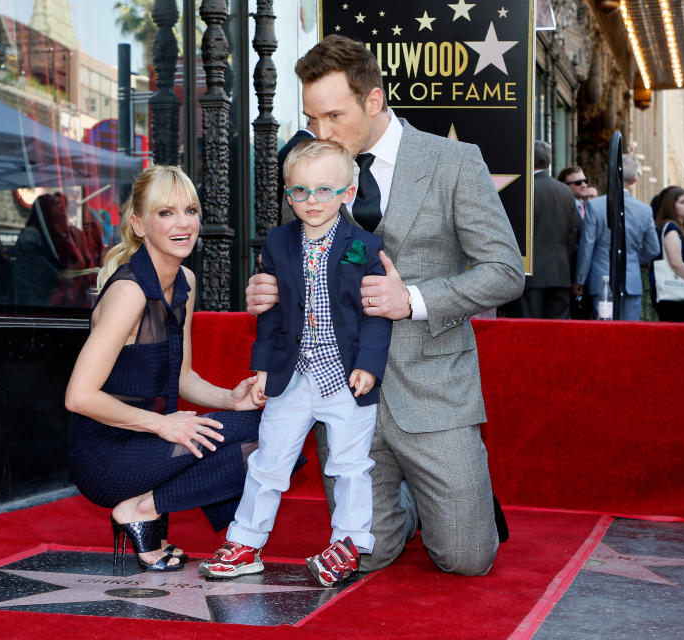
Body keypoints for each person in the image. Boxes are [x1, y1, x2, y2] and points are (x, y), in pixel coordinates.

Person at [246, 35, 525, 576]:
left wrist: (414, 299)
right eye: (311, 116)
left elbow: (505, 271)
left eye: (333, 115)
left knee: (467, 560)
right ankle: (410, 507)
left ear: (374, 101)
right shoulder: (311, 169)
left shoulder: (454, 161)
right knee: (368, 557)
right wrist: (269, 290)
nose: (319, 132)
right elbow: (294, 263)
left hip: (434, 390)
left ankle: (447, 499)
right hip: (340, 391)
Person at [199, 139, 392, 586]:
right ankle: (245, 541)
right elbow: (270, 312)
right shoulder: (278, 242)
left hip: (346, 377)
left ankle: (349, 543)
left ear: (348, 192)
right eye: (300, 191)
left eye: (325, 190)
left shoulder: (364, 245)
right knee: (269, 460)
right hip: (293, 373)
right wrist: (263, 367)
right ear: (287, 194)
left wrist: (369, 364)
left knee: (349, 464)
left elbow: (375, 315)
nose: (312, 201)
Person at [65, 165, 262, 573]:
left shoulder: (184, 280)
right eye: (166, 213)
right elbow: (79, 397)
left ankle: (143, 507)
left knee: (273, 424)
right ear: (138, 224)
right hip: (105, 456)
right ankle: (136, 508)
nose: (183, 223)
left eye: (190, 210)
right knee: (267, 431)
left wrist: (230, 399)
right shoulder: (129, 293)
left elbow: (182, 376)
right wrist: (162, 426)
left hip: (150, 443)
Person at [574, 157, 660, 320]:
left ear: (611, 175)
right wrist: (633, 257)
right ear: (634, 180)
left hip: (600, 277)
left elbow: (587, 246)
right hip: (631, 279)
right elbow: (653, 248)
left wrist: (580, 279)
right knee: (629, 333)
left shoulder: (595, 206)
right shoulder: (644, 210)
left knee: (603, 330)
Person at [521, 142, 577, 319]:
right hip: (561, 273)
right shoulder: (565, 191)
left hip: (532, 274)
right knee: (558, 334)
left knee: (531, 333)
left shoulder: (526, 189)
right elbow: (572, 233)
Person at [653, 187, 684, 322]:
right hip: (672, 296)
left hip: (681, 294)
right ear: (671, 206)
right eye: (682, 202)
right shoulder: (671, 228)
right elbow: (675, 262)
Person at [558, 165, 590, 318]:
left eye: (585, 181)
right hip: (569, 274)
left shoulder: (588, 207)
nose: (584, 185)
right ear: (565, 187)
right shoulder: (564, 207)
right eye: (578, 183)